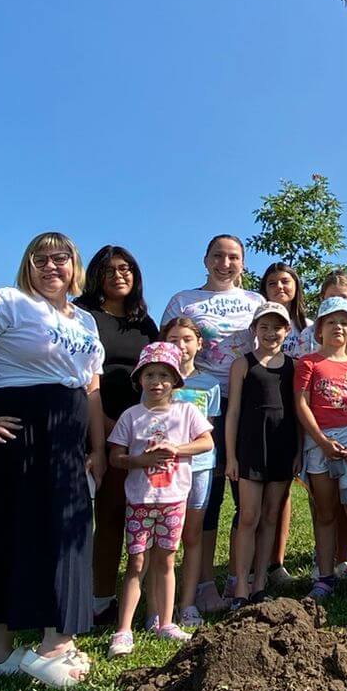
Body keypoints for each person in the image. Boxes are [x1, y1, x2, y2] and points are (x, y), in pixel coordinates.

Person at [0, 232, 105, 687]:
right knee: (3, 530)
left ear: (75, 267)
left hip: (68, 436)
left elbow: (91, 390)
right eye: (40, 259)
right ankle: (3, 652)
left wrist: (99, 448)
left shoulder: (87, 322)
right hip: (17, 430)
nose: (51, 267)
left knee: (66, 532)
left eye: (61, 258)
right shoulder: (7, 301)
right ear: (27, 265)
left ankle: (55, 641)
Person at [160, 235, 265, 612]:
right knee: (206, 496)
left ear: (243, 262)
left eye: (233, 257)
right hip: (198, 405)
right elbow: (168, 351)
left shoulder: (256, 302)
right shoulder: (183, 301)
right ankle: (203, 582)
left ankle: (241, 577)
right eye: (218, 255)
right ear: (205, 259)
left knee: (246, 495)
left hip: (247, 403)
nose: (225, 262)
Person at [105, 342, 213, 653]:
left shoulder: (187, 412)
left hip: (174, 499)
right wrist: (138, 461)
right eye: (150, 375)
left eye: (165, 375)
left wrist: (176, 450)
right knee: (137, 561)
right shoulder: (131, 416)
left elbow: (205, 442)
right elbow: (116, 456)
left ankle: (167, 623)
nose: (157, 382)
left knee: (167, 560)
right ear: (139, 379)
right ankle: (123, 630)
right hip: (140, 499)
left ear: (176, 381)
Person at [77, 244, 157, 632]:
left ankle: (142, 599)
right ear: (96, 276)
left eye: (126, 268)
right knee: (104, 517)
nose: (118, 275)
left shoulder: (145, 323)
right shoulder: (83, 316)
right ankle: (98, 600)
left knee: (137, 517)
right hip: (96, 425)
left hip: (141, 434)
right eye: (109, 270)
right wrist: (110, 430)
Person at [294, 295, 347, 603]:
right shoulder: (308, 362)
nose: (338, 327)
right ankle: (325, 577)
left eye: (345, 322)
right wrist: (319, 439)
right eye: (331, 321)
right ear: (319, 329)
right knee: (326, 512)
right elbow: (301, 402)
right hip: (320, 442)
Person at [224, 303, 300, 607]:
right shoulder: (242, 364)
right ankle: (240, 584)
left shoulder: (294, 367)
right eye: (264, 326)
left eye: (277, 327)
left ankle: (260, 582)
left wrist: (298, 451)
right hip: (251, 446)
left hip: (282, 446)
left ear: (287, 330)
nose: (271, 333)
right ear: (254, 329)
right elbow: (232, 413)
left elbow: (298, 412)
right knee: (249, 516)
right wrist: (231, 456)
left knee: (271, 515)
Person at [159, 313, 219, 629]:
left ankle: (187, 604)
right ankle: (157, 608)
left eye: (187, 339)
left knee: (192, 535)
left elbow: (211, 432)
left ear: (199, 344)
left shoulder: (209, 384)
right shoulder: (154, 381)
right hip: (162, 473)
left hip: (199, 469)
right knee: (162, 539)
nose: (180, 346)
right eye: (173, 339)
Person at [256, 262, 307, 592]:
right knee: (254, 497)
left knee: (283, 492)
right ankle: (250, 563)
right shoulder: (258, 326)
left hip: (297, 413)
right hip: (261, 414)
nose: (279, 286)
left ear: (296, 286)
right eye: (272, 282)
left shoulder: (308, 329)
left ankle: (276, 562)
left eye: (285, 281)